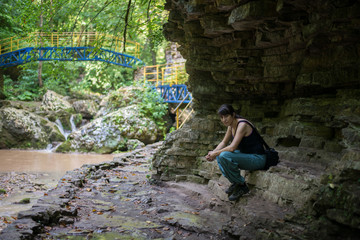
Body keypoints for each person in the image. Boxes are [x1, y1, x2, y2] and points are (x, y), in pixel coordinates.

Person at [205, 104, 266, 201]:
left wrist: (215, 154)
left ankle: (242, 186)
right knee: (221, 156)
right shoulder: (231, 125)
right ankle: (236, 182)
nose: (224, 119)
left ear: (233, 115)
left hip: (258, 158)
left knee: (223, 155)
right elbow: (224, 142)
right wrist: (212, 153)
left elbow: (232, 147)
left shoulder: (242, 125)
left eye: (226, 116)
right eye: (221, 117)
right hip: (247, 156)